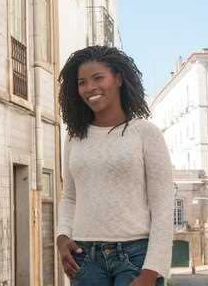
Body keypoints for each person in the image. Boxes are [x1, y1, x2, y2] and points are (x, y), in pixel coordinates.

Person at [56, 46, 173, 286]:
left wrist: (152, 270)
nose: (89, 88)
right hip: (84, 257)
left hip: (136, 256)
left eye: (98, 78)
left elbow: (162, 206)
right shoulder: (74, 137)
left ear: (119, 78)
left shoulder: (145, 133)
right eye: (82, 82)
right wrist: (61, 237)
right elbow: (69, 196)